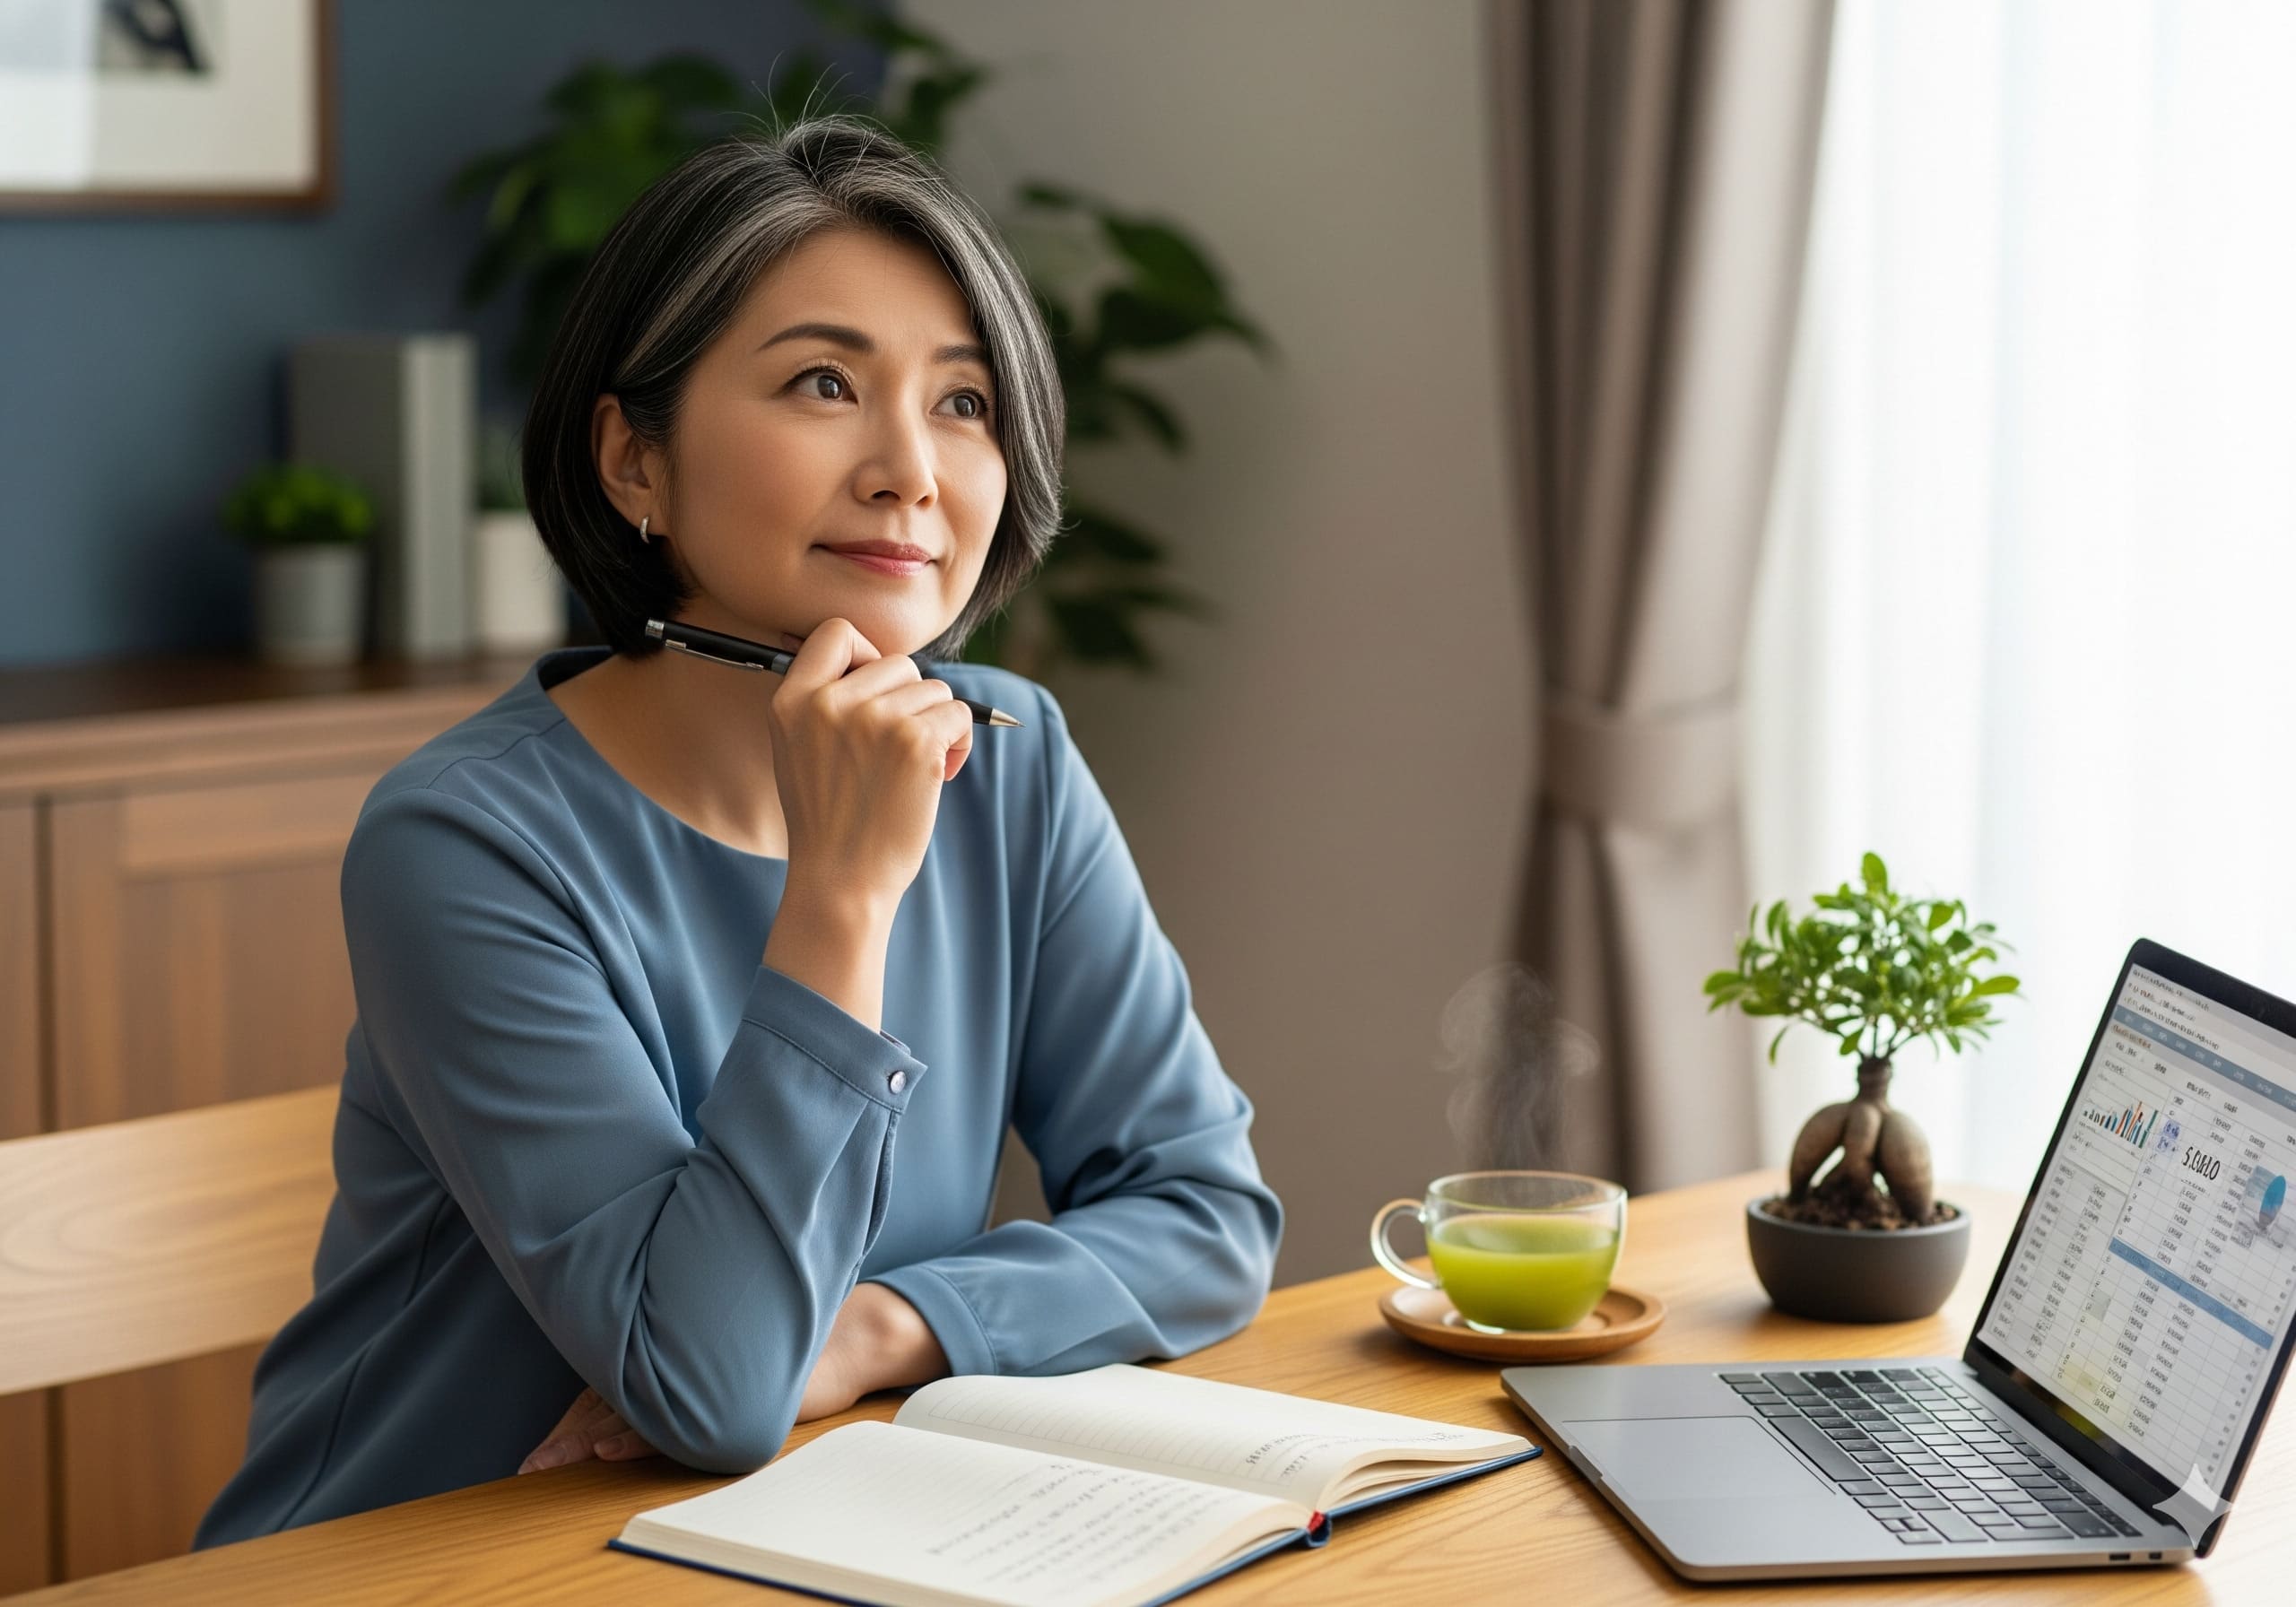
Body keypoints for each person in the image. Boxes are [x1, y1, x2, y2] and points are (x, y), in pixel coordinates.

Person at [196, 115, 1282, 1546]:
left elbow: (1205, 1216)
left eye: (962, 403)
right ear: (633, 462)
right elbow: (708, 1383)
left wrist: (880, 1331)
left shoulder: (1011, 760)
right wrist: (843, 889)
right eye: (826, 383)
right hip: (422, 1565)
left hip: (795, 1538)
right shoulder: (463, 842)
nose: (911, 468)